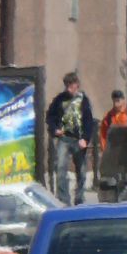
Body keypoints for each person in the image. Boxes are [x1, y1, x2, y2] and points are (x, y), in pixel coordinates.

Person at [45, 71, 93, 206]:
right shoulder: (60, 99)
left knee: (82, 171)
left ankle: (79, 199)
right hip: (64, 138)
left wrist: (85, 139)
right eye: (67, 86)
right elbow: (50, 117)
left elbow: (89, 121)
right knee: (60, 167)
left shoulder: (83, 100)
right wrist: (55, 129)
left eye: (71, 86)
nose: (69, 89)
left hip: (79, 139)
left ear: (77, 85)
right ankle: (63, 199)